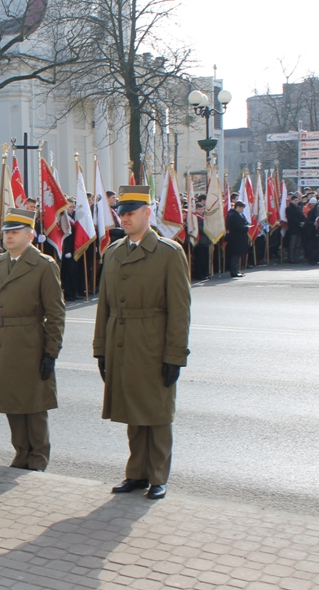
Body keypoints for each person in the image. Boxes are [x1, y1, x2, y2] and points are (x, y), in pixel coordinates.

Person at [94, 186, 191, 501]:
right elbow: (104, 306)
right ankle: (136, 473)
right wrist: (101, 350)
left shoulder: (169, 253)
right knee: (133, 412)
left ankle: (158, 476)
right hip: (122, 342)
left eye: (131, 212)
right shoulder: (113, 252)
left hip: (153, 344)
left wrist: (174, 355)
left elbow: (179, 311)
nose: (124, 218)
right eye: (121, 212)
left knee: (158, 414)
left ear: (148, 213)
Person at [0, 208, 65, 472]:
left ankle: (38, 457)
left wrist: (51, 352)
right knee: (11, 401)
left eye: (15, 232)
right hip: (1, 341)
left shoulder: (43, 265)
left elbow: (55, 313)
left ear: (30, 235)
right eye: (6, 231)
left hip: (30, 342)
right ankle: (21, 453)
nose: (8, 236)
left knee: (33, 404)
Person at [224, 200, 249, 278]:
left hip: (239, 238)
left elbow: (244, 222)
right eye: (241, 208)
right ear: (237, 207)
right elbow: (235, 227)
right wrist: (246, 228)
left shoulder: (238, 214)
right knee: (235, 256)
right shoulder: (232, 215)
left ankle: (237, 270)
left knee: (237, 256)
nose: (242, 210)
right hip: (235, 238)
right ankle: (234, 271)